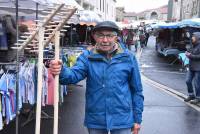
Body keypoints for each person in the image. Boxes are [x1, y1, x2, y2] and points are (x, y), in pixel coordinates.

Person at [49, 21, 144, 134]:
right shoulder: (87, 57)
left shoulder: (128, 58)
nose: (105, 40)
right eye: (100, 35)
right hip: (96, 118)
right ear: (94, 37)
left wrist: (137, 119)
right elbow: (73, 75)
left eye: (109, 35)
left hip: (122, 117)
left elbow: (137, 90)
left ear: (116, 37)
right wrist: (62, 70)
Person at [184, 32, 200, 104]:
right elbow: (190, 52)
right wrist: (187, 52)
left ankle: (198, 98)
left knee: (197, 83)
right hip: (191, 67)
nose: (192, 38)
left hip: (198, 68)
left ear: (197, 37)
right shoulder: (193, 45)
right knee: (188, 81)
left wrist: (190, 55)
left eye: (193, 36)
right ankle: (191, 95)